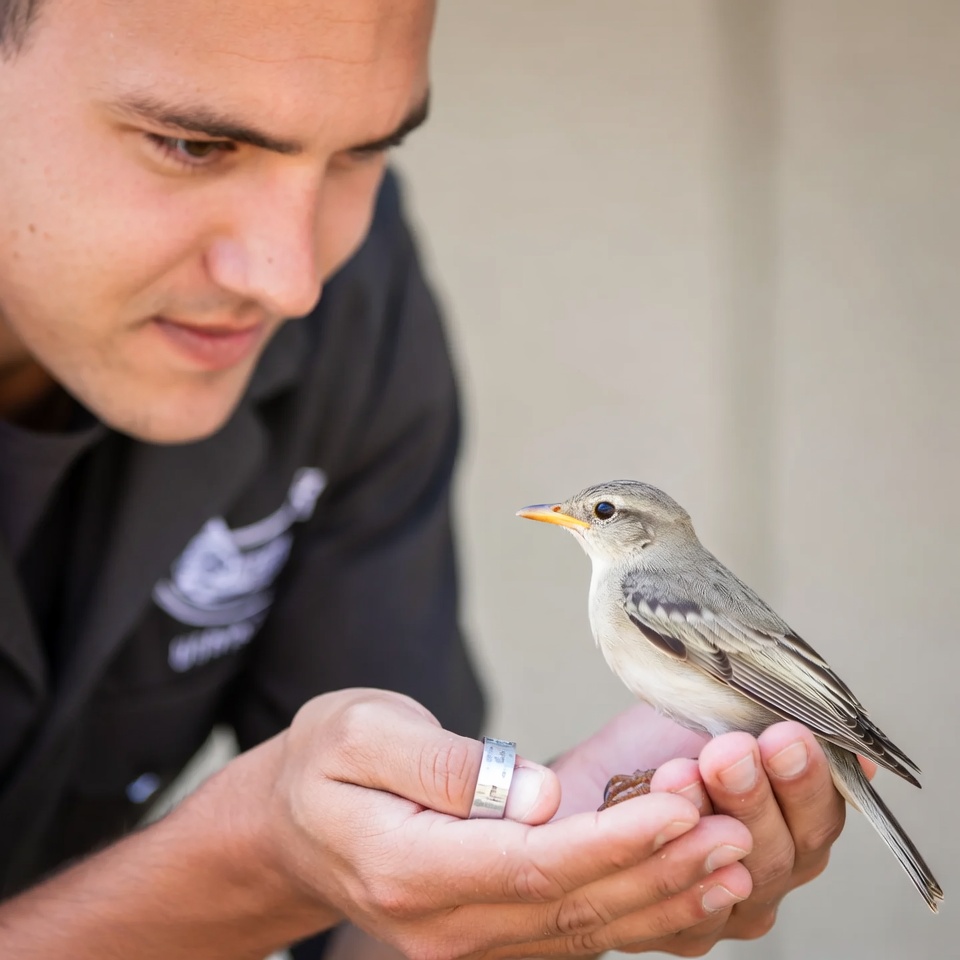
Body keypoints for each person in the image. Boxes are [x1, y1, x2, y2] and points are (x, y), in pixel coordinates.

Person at [0, 0, 851, 957]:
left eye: (364, 152)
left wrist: (515, 892)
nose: (292, 282)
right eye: (194, 145)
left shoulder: (354, 305)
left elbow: (378, 918)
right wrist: (253, 870)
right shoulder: (303, 283)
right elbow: (291, 874)